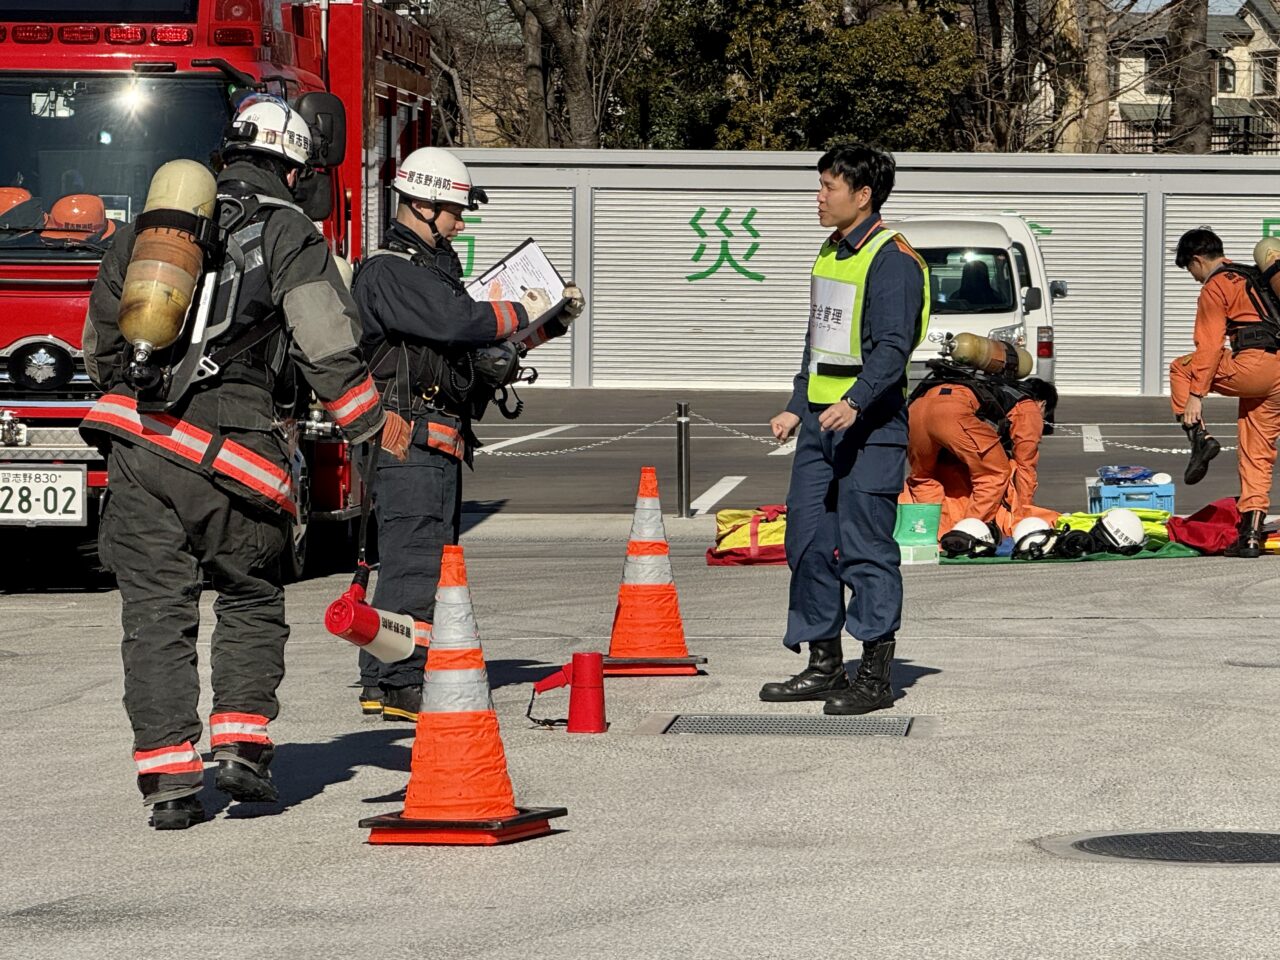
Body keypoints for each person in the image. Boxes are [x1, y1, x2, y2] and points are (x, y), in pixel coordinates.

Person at [80, 96, 386, 830]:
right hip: (237, 453)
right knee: (250, 594)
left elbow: (100, 349)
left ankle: (169, 785)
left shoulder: (149, 232)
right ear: (295, 167)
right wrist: (370, 427)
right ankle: (242, 748)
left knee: (156, 613)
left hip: (139, 447)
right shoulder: (289, 232)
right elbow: (326, 346)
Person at [353, 146, 583, 722]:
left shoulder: (432, 272)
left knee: (418, 559)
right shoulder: (390, 270)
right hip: (409, 439)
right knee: (414, 563)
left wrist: (549, 323)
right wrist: (524, 302)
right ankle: (402, 682)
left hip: (434, 438)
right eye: (455, 210)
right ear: (422, 204)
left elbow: (475, 352)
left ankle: (386, 678)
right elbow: (461, 323)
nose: (461, 221)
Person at [760, 143, 929, 716]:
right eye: (820, 185)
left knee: (865, 549)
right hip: (820, 425)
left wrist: (856, 401)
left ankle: (875, 674)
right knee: (805, 542)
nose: (818, 196)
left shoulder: (893, 259)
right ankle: (824, 663)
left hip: (871, 426)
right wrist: (795, 404)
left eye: (828, 187)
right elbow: (818, 345)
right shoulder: (831, 253)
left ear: (863, 195)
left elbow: (893, 347)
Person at [1170, 227, 1280, 557]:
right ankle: (1250, 535)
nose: (1193, 277)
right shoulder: (1255, 276)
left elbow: (1209, 346)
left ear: (1197, 259)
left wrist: (1195, 396)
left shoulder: (1216, 285)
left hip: (1254, 366)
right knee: (1256, 452)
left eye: (1190, 269)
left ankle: (1198, 438)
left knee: (1181, 368)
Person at [904, 363, 1057, 532]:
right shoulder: (1028, 406)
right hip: (952, 414)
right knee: (995, 474)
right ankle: (967, 534)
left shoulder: (991, 386)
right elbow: (1025, 464)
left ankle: (928, 531)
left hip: (916, 411)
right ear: (1042, 404)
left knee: (923, 478)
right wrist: (1023, 513)